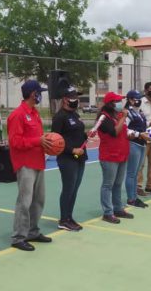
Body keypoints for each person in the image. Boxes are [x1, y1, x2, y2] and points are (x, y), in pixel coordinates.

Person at [8, 80, 53, 251]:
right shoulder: (18, 115)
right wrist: (37, 140)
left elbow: (36, 137)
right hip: (25, 163)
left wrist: (45, 140)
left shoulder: (34, 113)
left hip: (38, 161)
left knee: (38, 200)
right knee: (24, 201)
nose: (41, 95)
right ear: (33, 94)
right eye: (39, 92)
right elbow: (15, 141)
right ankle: (18, 237)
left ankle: (32, 231)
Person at [50, 86, 87, 231]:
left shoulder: (75, 115)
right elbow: (54, 140)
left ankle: (69, 217)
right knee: (68, 189)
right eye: (74, 97)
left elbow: (77, 134)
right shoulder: (60, 117)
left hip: (80, 157)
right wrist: (72, 150)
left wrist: (87, 135)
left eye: (77, 97)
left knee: (74, 189)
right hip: (67, 159)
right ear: (65, 99)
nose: (77, 100)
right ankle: (63, 219)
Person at [96, 92, 134, 223]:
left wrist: (131, 134)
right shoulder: (104, 118)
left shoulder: (116, 116)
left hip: (121, 154)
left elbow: (122, 132)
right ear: (111, 103)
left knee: (118, 184)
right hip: (109, 156)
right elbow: (114, 132)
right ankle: (107, 212)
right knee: (108, 185)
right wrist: (123, 117)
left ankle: (118, 208)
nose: (120, 103)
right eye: (118, 101)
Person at [124, 90, 150, 208]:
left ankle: (134, 197)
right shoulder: (128, 113)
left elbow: (143, 125)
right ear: (130, 100)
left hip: (142, 144)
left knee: (136, 173)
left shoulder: (139, 112)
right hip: (133, 144)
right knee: (131, 173)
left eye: (139, 98)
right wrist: (138, 134)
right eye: (136, 98)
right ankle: (131, 199)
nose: (138, 100)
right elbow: (125, 130)